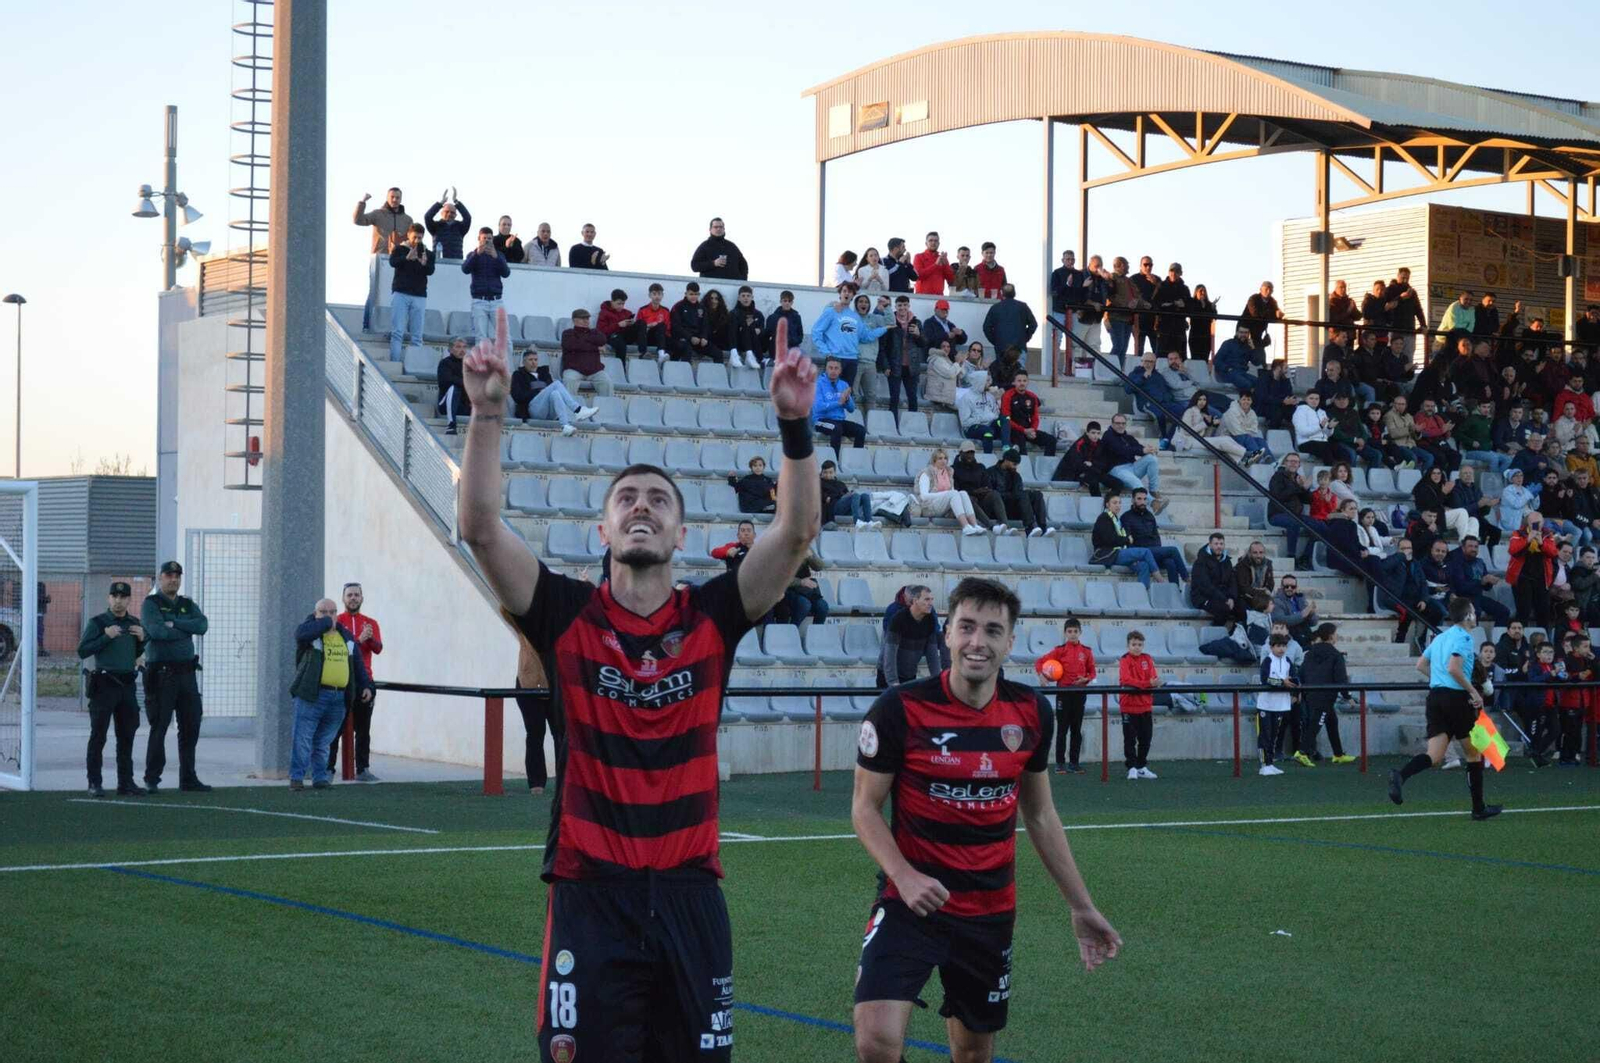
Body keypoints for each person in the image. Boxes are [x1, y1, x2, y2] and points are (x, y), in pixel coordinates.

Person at [455, 308, 819, 1063]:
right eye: (626, 498)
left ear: (682, 535)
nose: (642, 506)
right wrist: (489, 413)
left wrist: (794, 428)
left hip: (689, 895)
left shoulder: (715, 614)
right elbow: (481, 527)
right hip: (590, 893)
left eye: (659, 499)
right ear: (603, 531)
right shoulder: (565, 615)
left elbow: (794, 534)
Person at [852, 578, 1119, 1063]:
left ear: (1010, 641)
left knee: (973, 1052)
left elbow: (1039, 814)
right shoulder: (899, 709)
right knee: (875, 1038)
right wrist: (904, 876)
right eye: (967, 627)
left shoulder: (1031, 712)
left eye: (993, 631)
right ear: (947, 634)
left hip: (989, 910)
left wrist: (1080, 906)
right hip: (910, 903)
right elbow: (864, 809)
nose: (979, 642)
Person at [1388, 597, 1502, 820]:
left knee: (1435, 755)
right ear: (1468, 615)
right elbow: (1454, 668)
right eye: (1473, 611)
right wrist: (1473, 691)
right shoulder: (1464, 638)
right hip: (1456, 699)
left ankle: (1401, 775)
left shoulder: (1440, 637)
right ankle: (1478, 809)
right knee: (1474, 753)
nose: (1476, 615)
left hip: (1436, 697)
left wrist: (1439, 683)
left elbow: (1420, 665)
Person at [289, 598, 375, 791]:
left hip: (338, 699)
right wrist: (325, 623)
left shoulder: (346, 637)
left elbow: (358, 665)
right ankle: (297, 778)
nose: (329, 616)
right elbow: (300, 633)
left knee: (324, 741)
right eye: (323, 612)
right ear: (315, 614)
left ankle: (320, 778)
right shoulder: (309, 634)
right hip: (312, 696)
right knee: (302, 738)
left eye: (332, 612)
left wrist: (366, 686)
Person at [141, 561, 210, 794]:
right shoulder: (151, 604)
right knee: (159, 727)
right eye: (169, 575)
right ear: (160, 578)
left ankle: (188, 778)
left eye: (177, 576)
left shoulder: (186, 604)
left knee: (191, 725)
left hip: (186, 674)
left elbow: (202, 625)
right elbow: (157, 631)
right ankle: (152, 778)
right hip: (162, 675)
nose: (174, 579)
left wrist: (175, 623)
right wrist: (184, 630)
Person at [77, 581, 146, 797]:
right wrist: (106, 636)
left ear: (129, 600)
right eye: (115, 596)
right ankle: (94, 783)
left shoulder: (134, 623)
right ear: (109, 599)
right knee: (98, 736)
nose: (119, 600)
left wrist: (143, 639)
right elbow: (83, 651)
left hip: (127, 686)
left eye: (123, 597)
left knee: (126, 736)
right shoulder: (98, 623)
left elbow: (137, 653)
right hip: (105, 685)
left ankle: (126, 783)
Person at [328, 582, 383, 782]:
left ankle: (363, 769)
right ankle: (328, 768)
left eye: (357, 595)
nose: (353, 598)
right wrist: (359, 639)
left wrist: (369, 639)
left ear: (362, 598)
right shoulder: (337, 622)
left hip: (364, 681)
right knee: (334, 727)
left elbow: (378, 649)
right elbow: (343, 650)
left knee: (363, 729)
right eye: (349, 595)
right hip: (340, 680)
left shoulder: (371, 622)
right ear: (343, 598)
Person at [1036, 617, 1095, 774]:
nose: (1073, 634)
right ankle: (1060, 763)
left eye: (1075, 631)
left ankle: (1074, 763)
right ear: (1065, 633)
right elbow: (1040, 662)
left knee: (1076, 729)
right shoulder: (1059, 650)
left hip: (1080, 693)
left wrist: (1086, 679)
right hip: (1063, 694)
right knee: (1062, 729)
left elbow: (1092, 672)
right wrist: (1041, 676)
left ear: (1080, 632)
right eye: (1069, 631)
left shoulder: (1087, 651)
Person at [354, 187, 412, 330]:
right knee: (374, 291)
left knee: (398, 293)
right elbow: (358, 220)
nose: (394, 200)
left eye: (397, 197)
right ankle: (366, 325)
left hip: (400, 260)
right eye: (392, 197)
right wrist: (362, 202)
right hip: (380, 258)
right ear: (387, 198)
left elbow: (412, 239)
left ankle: (395, 326)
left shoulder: (407, 219)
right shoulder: (378, 214)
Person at [511, 349, 597, 432]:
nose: (534, 362)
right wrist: (538, 392)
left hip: (548, 410)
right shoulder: (518, 375)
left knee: (555, 393)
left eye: (536, 360)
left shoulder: (544, 373)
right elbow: (517, 396)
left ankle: (565, 426)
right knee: (557, 384)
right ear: (523, 362)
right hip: (533, 409)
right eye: (530, 360)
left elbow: (550, 390)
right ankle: (578, 410)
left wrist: (543, 391)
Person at [915, 448, 997, 536]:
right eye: (940, 458)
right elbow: (924, 496)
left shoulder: (949, 473)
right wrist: (945, 494)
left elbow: (953, 492)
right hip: (929, 506)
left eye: (945, 458)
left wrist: (948, 494)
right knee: (953, 493)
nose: (943, 461)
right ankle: (965, 527)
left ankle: (974, 525)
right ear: (934, 460)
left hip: (944, 506)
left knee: (963, 493)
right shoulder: (927, 473)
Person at [510, 617, 550, 793]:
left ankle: (566, 780)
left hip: (555, 682)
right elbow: (505, 608)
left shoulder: (560, 622)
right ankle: (536, 783)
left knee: (561, 734)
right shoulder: (524, 623)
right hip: (528, 683)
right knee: (535, 733)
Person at [878, 584, 943, 686]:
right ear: (915, 600)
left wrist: (939, 680)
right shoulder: (898, 619)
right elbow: (889, 654)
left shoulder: (930, 620)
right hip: (888, 675)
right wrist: (893, 683)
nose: (930, 603)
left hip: (909, 675)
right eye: (926, 599)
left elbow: (932, 654)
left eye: (931, 599)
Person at [387, 223, 434, 362]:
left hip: (419, 295)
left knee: (417, 335)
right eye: (414, 237)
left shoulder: (427, 253)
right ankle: (395, 362)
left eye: (420, 238)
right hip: (400, 293)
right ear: (408, 235)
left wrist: (424, 263)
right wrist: (407, 257)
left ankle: (415, 364)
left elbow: (431, 271)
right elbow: (392, 262)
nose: (417, 241)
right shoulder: (400, 249)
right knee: (397, 332)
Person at [1123, 487, 1188, 584]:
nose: (1142, 502)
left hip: (1154, 552)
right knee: (1173, 550)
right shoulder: (1126, 517)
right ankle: (1187, 578)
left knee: (1170, 562)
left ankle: (1175, 591)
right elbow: (1127, 539)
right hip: (1141, 552)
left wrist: (1159, 552)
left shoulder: (1149, 515)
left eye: (1145, 499)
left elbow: (1156, 536)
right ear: (1133, 500)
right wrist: (1134, 557)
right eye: (1139, 499)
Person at [1267, 453, 1323, 566]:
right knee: (1294, 523)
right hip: (1277, 514)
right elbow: (1278, 496)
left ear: (1299, 465)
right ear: (1285, 463)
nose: (1293, 463)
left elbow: (1308, 500)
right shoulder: (1277, 476)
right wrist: (1297, 486)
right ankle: (1291, 556)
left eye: (1296, 461)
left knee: (1321, 526)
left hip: (1296, 515)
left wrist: (1304, 488)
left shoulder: (1298, 479)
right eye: (1290, 461)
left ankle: (1306, 557)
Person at [1091, 492, 1157, 588]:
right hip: (1109, 553)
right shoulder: (1104, 518)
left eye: (1119, 503)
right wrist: (1126, 539)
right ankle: (1160, 579)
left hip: (1119, 552)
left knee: (1143, 566)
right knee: (1146, 552)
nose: (1118, 505)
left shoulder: (1115, 519)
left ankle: (1141, 594)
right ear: (1107, 505)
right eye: (1115, 503)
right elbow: (1109, 540)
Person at [1118, 630, 1160, 778]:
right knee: (1129, 739)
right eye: (1133, 644)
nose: (1136, 647)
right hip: (1129, 706)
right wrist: (1146, 684)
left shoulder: (1147, 659)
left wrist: (1152, 683)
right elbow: (1126, 680)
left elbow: (1154, 678)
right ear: (1128, 645)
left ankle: (1141, 766)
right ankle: (1131, 768)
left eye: (1139, 644)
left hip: (1145, 705)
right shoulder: (1124, 660)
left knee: (1146, 738)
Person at [1508, 512, 1560, 626]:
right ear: (1528, 523)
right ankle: (1521, 639)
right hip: (1522, 577)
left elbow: (1553, 553)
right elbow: (1513, 550)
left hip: (1542, 577)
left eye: (1539, 522)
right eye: (1533, 523)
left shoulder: (1547, 534)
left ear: (1543, 522)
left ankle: (1544, 640)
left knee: (1543, 611)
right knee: (1523, 611)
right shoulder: (1518, 533)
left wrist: (1541, 543)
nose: (1536, 525)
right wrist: (1527, 540)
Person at [1256, 634, 1299, 776]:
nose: (1281, 649)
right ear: (1271, 647)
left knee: (1275, 735)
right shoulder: (1267, 661)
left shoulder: (1287, 661)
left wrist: (1295, 691)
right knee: (1265, 735)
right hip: (1266, 705)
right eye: (1278, 646)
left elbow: (1293, 678)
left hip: (1281, 705)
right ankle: (1264, 765)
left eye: (1284, 646)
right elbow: (1265, 679)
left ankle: (1270, 762)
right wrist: (1282, 683)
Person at [877, 295, 923, 423]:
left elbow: (923, 344)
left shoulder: (917, 322)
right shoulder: (890, 322)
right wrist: (885, 366)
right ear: (895, 307)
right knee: (894, 398)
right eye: (899, 305)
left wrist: (919, 335)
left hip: (911, 367)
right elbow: (883, 346)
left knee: (913, 398)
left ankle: (913, 426)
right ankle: (893, 425)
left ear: (909, 306)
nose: (902, 308)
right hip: (894, 366)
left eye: (905, 305)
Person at [988, 448, 1053, 537]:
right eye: (1014, 464)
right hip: (999, 509)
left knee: (1037, 495)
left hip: (1014, 507)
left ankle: (1043, 528)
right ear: (1006, 460)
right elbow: (991, 495)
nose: (1015, 467)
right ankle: (1030, 528)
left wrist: (1015, 494)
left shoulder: (1016, 475)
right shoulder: (991, 472)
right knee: (1022, 494)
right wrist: (1013, 495)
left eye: (1017, 465)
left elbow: (1018, 493)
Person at [461, 228, 510, 341]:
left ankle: (507, 359)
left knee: (505, 337)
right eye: (484, 238)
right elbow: (465, 269)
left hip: (496, 301)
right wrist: (476, 254)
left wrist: (496, 258)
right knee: (481, 337)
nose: (487, 241)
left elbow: (506, 273)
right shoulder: (472, 255)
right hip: (479, 301)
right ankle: (481, 359)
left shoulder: (499, 255)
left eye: (489, 239)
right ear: (479, 239)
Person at [1101, 414, 1163, 503]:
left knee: (1152, 458)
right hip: (1117, 470)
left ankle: (1153, 490)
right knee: (1136, 481)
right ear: (1112, 424)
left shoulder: (1128, 437)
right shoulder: (1108, 436)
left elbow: (1138, 448)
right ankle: (1153, 502)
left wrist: (1149, 450)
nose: (1121, 426)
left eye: (1123, 423)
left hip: (1132, 467)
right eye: (1118, 423)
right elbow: (1121, 450)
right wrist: (1142, 450)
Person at [952, 441, 1011, 529]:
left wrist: (982, 491)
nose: (970, 455)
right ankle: (991, 526)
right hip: (965, 505)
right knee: (968, 498)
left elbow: (988, 486)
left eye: (972, 452)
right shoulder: (953, 469)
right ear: (960, 453)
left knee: (994, 494)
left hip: (982, 502)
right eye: (967, 452)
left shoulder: (981, 467)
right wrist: (973, 492)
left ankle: (1006, 526)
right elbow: (956, 490)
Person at [814, 356, 867, 452]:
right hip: (820, 421)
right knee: (836, 429)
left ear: (840, 370)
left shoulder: (844, 385)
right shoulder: (818, 384)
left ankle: (857, 461)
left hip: (839, 421)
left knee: (861, 430)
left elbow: (851, 409)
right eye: (830, 368)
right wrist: (838, 403)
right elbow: (818, 407)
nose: (833, 371)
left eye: (836, 368)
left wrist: (847, 400)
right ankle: (835, 461)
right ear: (825, 369)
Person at [559, 309, 616, 398]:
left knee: (607, 382)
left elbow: (603, 340)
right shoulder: (568, 333)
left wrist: (583, 341)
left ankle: (606, 409)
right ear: (574, 320)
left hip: (595, 371)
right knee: (569, 381)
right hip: (574, 369)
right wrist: (595, 347)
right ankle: (570, 410)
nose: (586, 321)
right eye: (583, 318)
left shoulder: (594, 332)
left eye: (587, 318)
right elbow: (572, 345)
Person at [1190, 533, 1241, 630]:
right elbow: (1205, 586)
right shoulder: (1201, 561)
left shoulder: (1227, 561)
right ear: (1210, 545)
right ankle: (1212, 633)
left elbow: (1232, 581)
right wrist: (1224, 599)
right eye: (1216, 544)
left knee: (1242, 608)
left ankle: (1235, 635)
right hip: (1202, 597)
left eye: (1221, 544)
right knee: (1223, 609)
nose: (1219, 547)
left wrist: (1231, 597)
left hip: (1222, 596)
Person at [1000, 371, 1056, 457]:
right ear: (1014, 382)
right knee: (1021, 443)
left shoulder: (1032, 396)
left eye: (1024, 381)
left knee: (1051, 440)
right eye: (1019, 381)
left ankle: (1045, 467)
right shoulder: (1007, 396)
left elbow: (1035, 417)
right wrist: (1023, 430)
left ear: (1028, 382)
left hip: (1028, 430)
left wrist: (1033, 430)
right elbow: (1006, 419)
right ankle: (1023, 468)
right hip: (1013, 430)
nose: (1022, 383)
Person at [1054, 421, 1110, 495]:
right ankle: (1098, 504)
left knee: (1117, 483)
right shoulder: (1079, 444)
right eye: (1093, 433)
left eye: (1098, 433)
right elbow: (1077, 465)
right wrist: (1093, 466)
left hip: (1091, 470)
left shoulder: (1099, 444)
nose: (1096, 436)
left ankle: (1111, 503)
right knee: (1093, 481)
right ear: (1087, 433)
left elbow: (1103, 463)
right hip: (1071, 474)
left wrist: (1092, 464)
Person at [982, 284, 1037, 356]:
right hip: (1019, 347)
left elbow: (986, 327)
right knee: (1019, 367)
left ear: (1002, 293)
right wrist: (1025, 338)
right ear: (1014, 293)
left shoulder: (995, 308)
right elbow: (1033, 324)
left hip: (1001, 348)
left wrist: (996, 341)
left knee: (1001, 367)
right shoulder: (1023, 307)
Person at [821, 459, 877, 528]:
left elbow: (846, 494)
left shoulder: (840, 484)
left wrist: (848, 494)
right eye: (825, 472)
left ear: (835, 473)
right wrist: (826, 497)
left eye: (830, 472)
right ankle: (857, 522)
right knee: (855, 495)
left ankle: (869, 521)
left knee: (865, 496)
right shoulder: (819, 483)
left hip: (844, 506)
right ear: (822, 473)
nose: (828, 475)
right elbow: (820, 496)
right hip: (833, 507)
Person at [957, 384, 1010, 455]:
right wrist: (983, 418)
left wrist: (991, 417)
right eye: (986, 381)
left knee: (1005, 419)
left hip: (990, 425)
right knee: (988, 431)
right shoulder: (966, 398)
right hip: (973, 428)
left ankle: (1006, 447)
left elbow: (996, 414)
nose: (989, 384)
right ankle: (988, 456)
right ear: (980, 380)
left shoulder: (990, 397)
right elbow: (965, 422)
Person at [1220, 391, 1270, 463]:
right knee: (1247, 437)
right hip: (1227, 438)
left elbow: (1254, 430)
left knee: (1260, 440)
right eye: (1244, 399)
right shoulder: (1231, 412)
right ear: (1239, 400)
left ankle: (1271, 461)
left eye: (1248, 400)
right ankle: (1258, 458)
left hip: (1242, 438)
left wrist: (1242, 428)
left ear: (1251, 401)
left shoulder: (1252, 413)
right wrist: (1246, 430)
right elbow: (1236, 432)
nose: (1246, 402)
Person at [436, 337, 472, 434]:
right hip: (445, 404)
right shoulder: (445, 363)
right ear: (451, 349)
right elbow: (446, 381)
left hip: (464, 405)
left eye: (464, 347)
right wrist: (465, 383)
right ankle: (451, 424)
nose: (462, 350)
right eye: (458, 347)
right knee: (453, 388)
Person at [1292, 390, 1338, 464]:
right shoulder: (1300, 411)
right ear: (1306, 399)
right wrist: (1319, 426)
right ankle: (1330, 473)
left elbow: (1327, 434)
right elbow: (1303, 432)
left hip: (1323, 442)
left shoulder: (1322, 412)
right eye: (1311, 398)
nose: (1314, 401)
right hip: (1305, 442)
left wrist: (1329, 427)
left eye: (1317, 399)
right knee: (1326, 449)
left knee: (1342, 452)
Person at [1213, 325, 1263, 394]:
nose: (1243, 335)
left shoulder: (1248, 347)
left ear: (1249, 334)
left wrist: (1253, 348)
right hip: (1226, 373)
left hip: (1241, 373)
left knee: (1259, 382)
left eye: (1246, 333)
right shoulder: (1228, 343)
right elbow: (1216, 360)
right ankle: (1250, 400)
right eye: (1241, 332)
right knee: (1246, 384)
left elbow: (1257, 362)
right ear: (1237, 333)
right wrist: (1227, 369)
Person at [1271, 574, 1317, 645]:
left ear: (1296, 587)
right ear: (1281, 587)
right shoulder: (1276, 601)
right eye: (1286, 586)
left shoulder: (1300, 598)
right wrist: (1303, 614)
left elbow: (1313, 623)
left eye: (1293, 586)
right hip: (1288, 635)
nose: (1289, 588)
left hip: (1304, 632)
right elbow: (1281, 620)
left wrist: (1311, 614)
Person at [729, 286, 767, 370]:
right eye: (743, 296)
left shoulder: (758, 314)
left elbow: (763, 330)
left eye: (748, 296)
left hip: (755, 342)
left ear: (752, 297)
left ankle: (752, 356)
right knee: (746, 327)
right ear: (739, 298)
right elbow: (732, 331)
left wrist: (760, 330)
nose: (746, 298)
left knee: (751, 329)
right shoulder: (734, 313)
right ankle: (750, 356)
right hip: (739, 342)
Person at [424, 194, 472, 259]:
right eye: (447, 212)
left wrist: (457, 202)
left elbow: (468, 218)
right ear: (441, 213)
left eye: (452, 212)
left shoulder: (460, 228)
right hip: (439, 262)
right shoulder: (435, 226)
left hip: (456, 262)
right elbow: (427, 217)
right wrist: (440, 204)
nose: (449, 214)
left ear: (455, 215)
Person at [597, 289, 641, 358]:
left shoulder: (627, 313)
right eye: (619, 303)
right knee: (620, 343)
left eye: (623, 304)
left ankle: (643, 351)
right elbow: (601, 331)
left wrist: (631, 324)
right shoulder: (604, 313)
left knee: (641, 323)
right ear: (612, 302)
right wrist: (618, 325)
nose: (621, 306)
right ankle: (621, 367)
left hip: (625, 336)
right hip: (612, 337)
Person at [1240, 281, 1284, 350]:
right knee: (1240, 346)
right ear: (1261, 290)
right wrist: (1274, 314)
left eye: (1270, 290)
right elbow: (1255, 313)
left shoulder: (1272, 302)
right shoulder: (1253, 298)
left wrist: (1279, 315)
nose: (1268, 291)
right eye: (1266, 289)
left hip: (1258, 330)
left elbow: (1277, 316)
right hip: (1245, 325)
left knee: (1256, 350)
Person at [912, 231, 955, 296]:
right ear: (926, 243)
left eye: (935, 241)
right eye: (930, 240)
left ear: (939, 243)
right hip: (921, 297)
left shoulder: (942, 258)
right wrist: (936, 265)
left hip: (939, 297)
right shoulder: (918, 256)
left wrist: (946, 264)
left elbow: (951, 279)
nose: (933, 243)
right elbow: (919, 275)